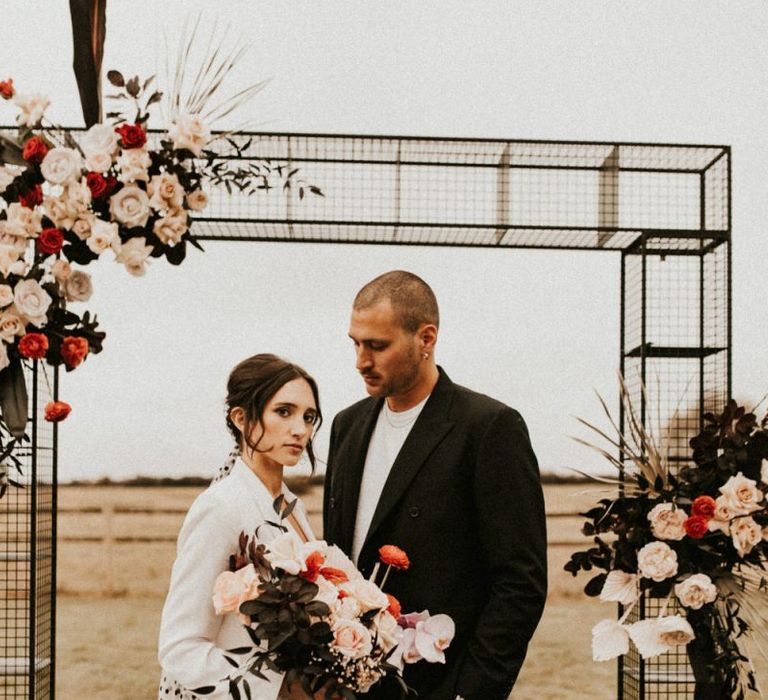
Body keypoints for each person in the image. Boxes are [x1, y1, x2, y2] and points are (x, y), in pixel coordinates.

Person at [323, 271, 548, 700]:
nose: (360, 361)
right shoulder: (346, 426)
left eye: (377, 345)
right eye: (355, 343)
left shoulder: (487, 428)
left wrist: (471, 692)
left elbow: (520, 582)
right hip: (353, 683)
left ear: (426, 338)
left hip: (442, 683)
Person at [158, 353, 326, 700]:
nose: (300, 429)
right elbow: (181, 647)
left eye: (308, 417)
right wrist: (277, 691)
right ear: (241, 418)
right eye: (284, 411)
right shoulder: (220, 508)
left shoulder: (296, 509)